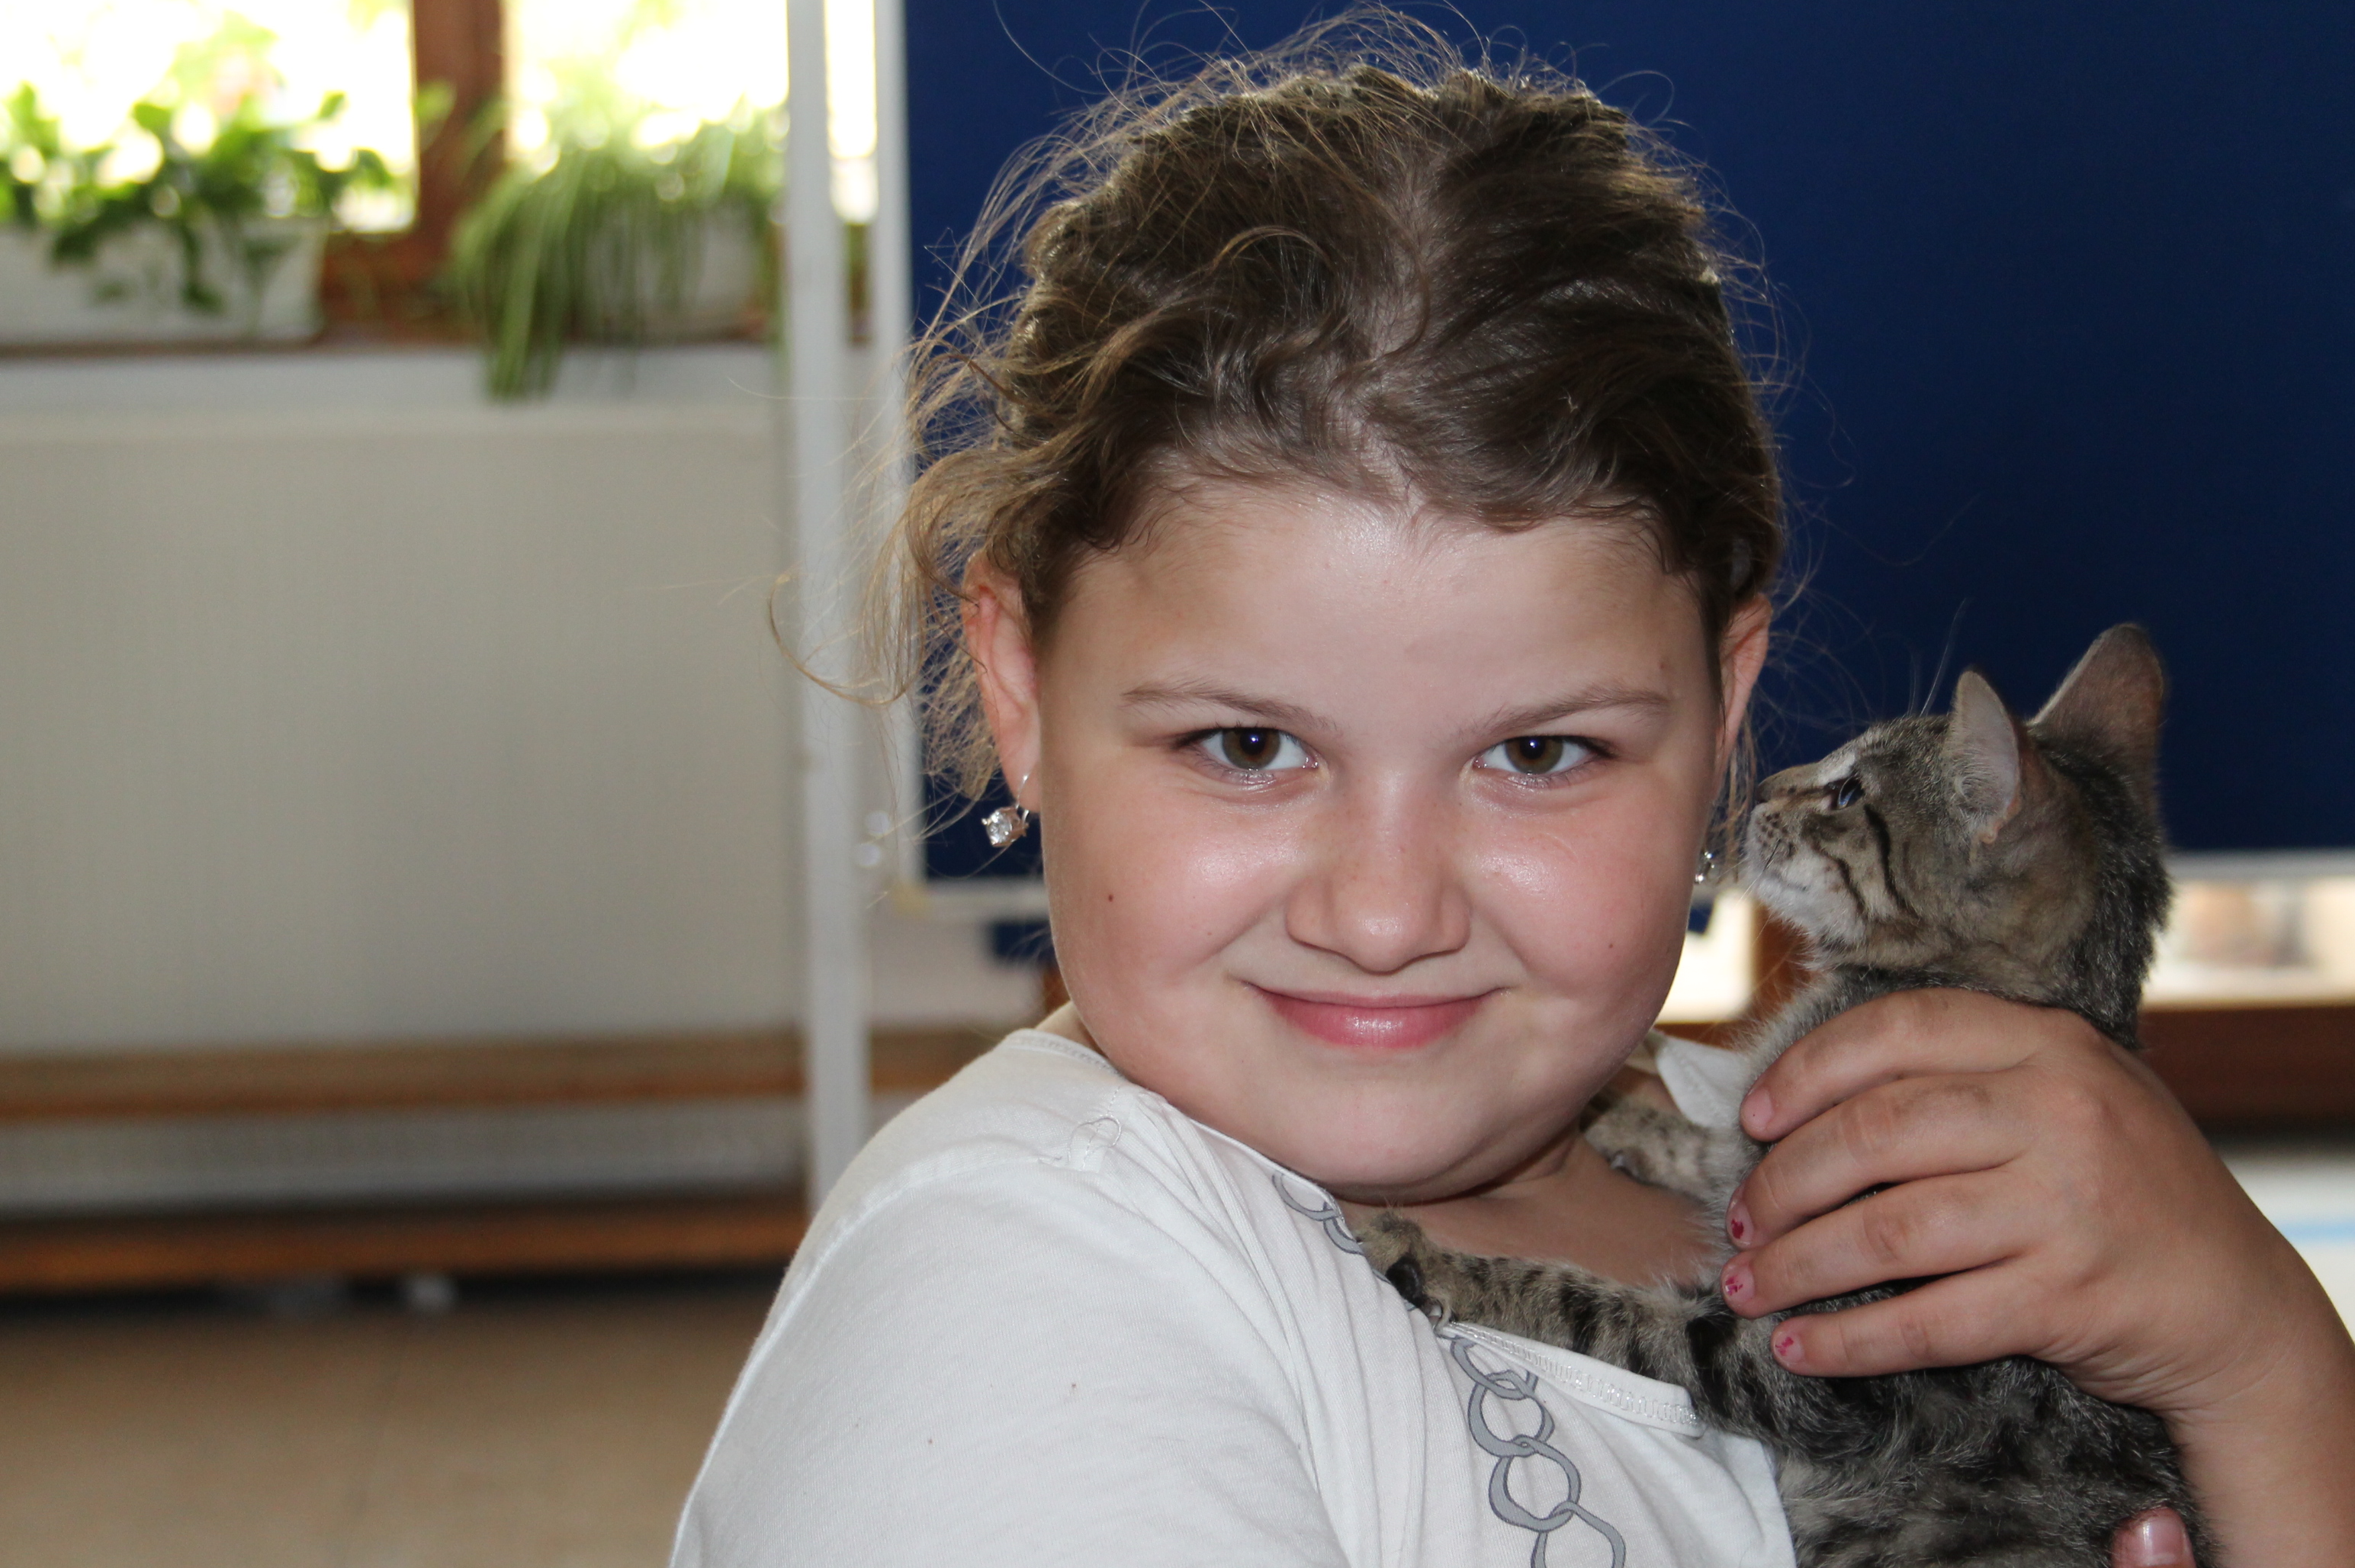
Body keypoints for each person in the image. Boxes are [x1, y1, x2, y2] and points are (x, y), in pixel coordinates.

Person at [673, 23, 2355, 1566]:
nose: (1385, 913)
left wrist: (2264, 1361)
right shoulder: (1020, 1298)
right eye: (1247, 746)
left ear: (1725, 714)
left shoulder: (1761, 1161)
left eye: (1537, 753)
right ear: (1022, 689)